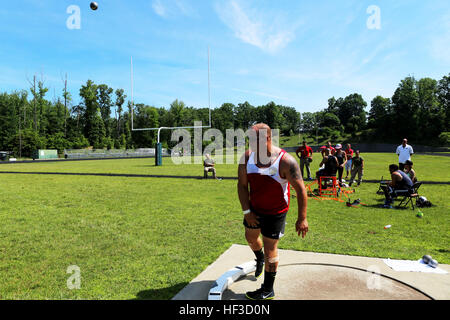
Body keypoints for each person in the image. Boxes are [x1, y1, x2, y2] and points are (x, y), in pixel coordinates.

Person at [237, 123, 308, 300]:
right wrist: (247, 212)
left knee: (271, 251)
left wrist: (302, 219)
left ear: (267, 138)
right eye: (249, 139)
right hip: (254, 210)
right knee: (251, 238)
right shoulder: (246, 158)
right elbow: (242, 186)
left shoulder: (285, 161)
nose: (250, 142)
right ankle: (258, 258)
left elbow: (301, 190)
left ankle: (268, 289)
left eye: (254, 139)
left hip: (276, 212)